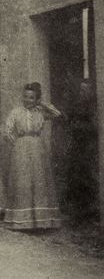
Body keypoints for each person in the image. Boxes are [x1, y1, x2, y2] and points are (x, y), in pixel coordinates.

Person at [3, 82, 62, 230]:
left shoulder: (40, 112)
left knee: (39, 180)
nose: (27, 100)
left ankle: (40, 221)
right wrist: (16, 143)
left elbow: (57, 114)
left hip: (37, 148)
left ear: (36, 99)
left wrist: (41, 103)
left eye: (31, 97)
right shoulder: (16, 112)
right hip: (21, 148)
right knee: (23, 181)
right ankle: (23, 221)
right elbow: (8, 130)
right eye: (25, 96)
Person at [65, 79, 99, 225]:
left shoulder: (95, 107)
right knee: (75, 179)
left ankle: (91, 213)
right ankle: (78, 215)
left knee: (89, 180)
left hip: (90, 147)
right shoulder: (77, 106)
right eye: (81, 90)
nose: (83, 93)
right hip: (77, 147)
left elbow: (95, 127)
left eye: (86, 90)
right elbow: (69, 121)